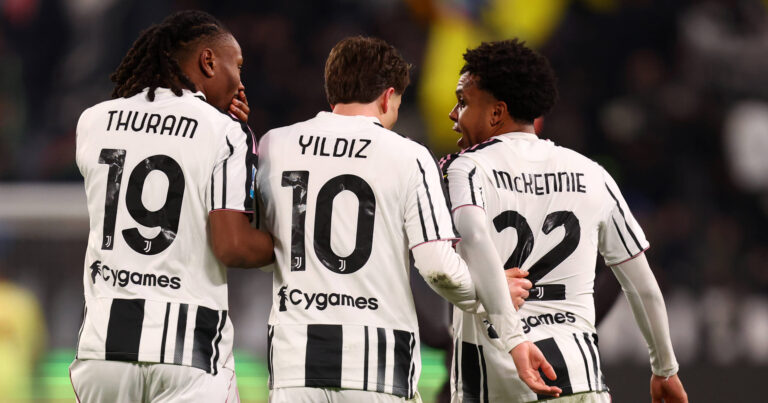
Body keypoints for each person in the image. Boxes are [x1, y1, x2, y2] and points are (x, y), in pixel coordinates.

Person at [256, 36, 561, 403]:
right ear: (387, 96)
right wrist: (491, 292)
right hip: (378, 370)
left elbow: (264, 248)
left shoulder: (275, 144)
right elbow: (439, 269)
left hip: (293, 366)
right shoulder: (408, 156)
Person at [441, 39, 688, 403]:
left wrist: (511, 334)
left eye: (463, 102)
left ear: (496, 113)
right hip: (580, 378)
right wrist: (665, 368)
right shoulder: (593, 174)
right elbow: (643, 286)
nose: (452, 113)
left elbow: (470, 244)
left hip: (497, 380)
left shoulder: (467, 169)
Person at [70, 10, 274, 402]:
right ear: (208, 61)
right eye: (238, 66)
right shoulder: (224, 133)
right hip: (187, 352)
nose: (241, 81)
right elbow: (232, 245)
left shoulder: (92, 121)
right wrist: (294, 247)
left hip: (103, 349)